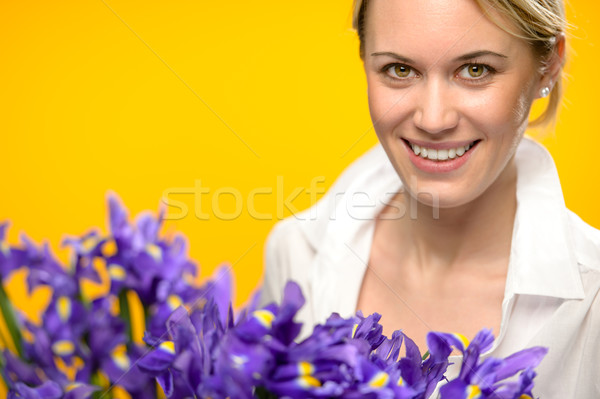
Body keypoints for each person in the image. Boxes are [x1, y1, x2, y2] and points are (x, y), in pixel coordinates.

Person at [260, 0, 600, 397]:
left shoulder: (592, 300)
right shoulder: (296, 254)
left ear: (549, 64)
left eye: (476, 70)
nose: (433, 120)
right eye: (400, 70)